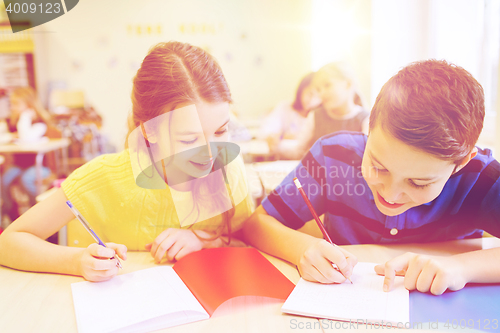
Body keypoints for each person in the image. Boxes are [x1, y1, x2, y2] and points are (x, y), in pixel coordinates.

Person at [239, 59, 500, 295]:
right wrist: (301, 248)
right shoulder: (332, 156)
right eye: (378, 166)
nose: (390, 193)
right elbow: (256, 224)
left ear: (461, 163)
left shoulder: (480, 177)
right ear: (368, 128)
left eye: (419, 183)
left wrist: (461, 267)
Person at [0, 41, 253, 282]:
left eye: (220, 132)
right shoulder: (104, 176)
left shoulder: (229, 170)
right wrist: (76, 261)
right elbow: (9, 242)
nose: (210, 154)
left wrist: (205, 241)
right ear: (149, 131)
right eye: (189, 140)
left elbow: (250, 241)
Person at [274, 62, 369, 160]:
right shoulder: (315, 116)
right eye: (319, 89)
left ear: (348, 84)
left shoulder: (365, 120)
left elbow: (366, 160)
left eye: (327, 85)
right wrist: (277, 146)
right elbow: (298, 150)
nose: (322, 93)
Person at [2, 87, 57, 220]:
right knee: (4, 180)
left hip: (40, 167)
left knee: (26, 180)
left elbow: (26, 137)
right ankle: (11, 213)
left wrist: (25, 116)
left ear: (29, 104)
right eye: (11, 103)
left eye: (16, 104)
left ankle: (38, 212)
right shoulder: (11, 122)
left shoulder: (39, 122)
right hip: (19, 165)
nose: (12, 107)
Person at [259, 72, 320, 150]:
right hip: (283, 157)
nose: (312, 100)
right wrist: (276, 137)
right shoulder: (284, 108)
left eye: (318, 97)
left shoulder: (320, 116)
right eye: (310, 94)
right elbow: (264, 132)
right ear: (301, 90)